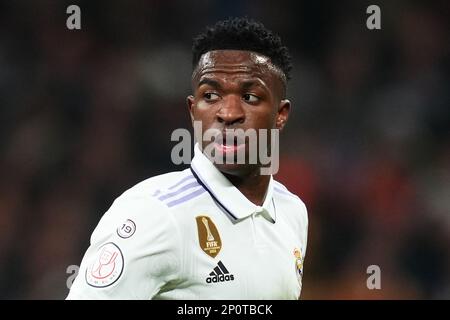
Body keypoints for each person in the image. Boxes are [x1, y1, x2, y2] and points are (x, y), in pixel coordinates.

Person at [67, 17, 308, 300]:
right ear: (193, 111)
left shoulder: (292, 211)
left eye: (250, 97)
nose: (228, 113)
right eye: (211, 95)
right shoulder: (154, 214)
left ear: (280, 115)